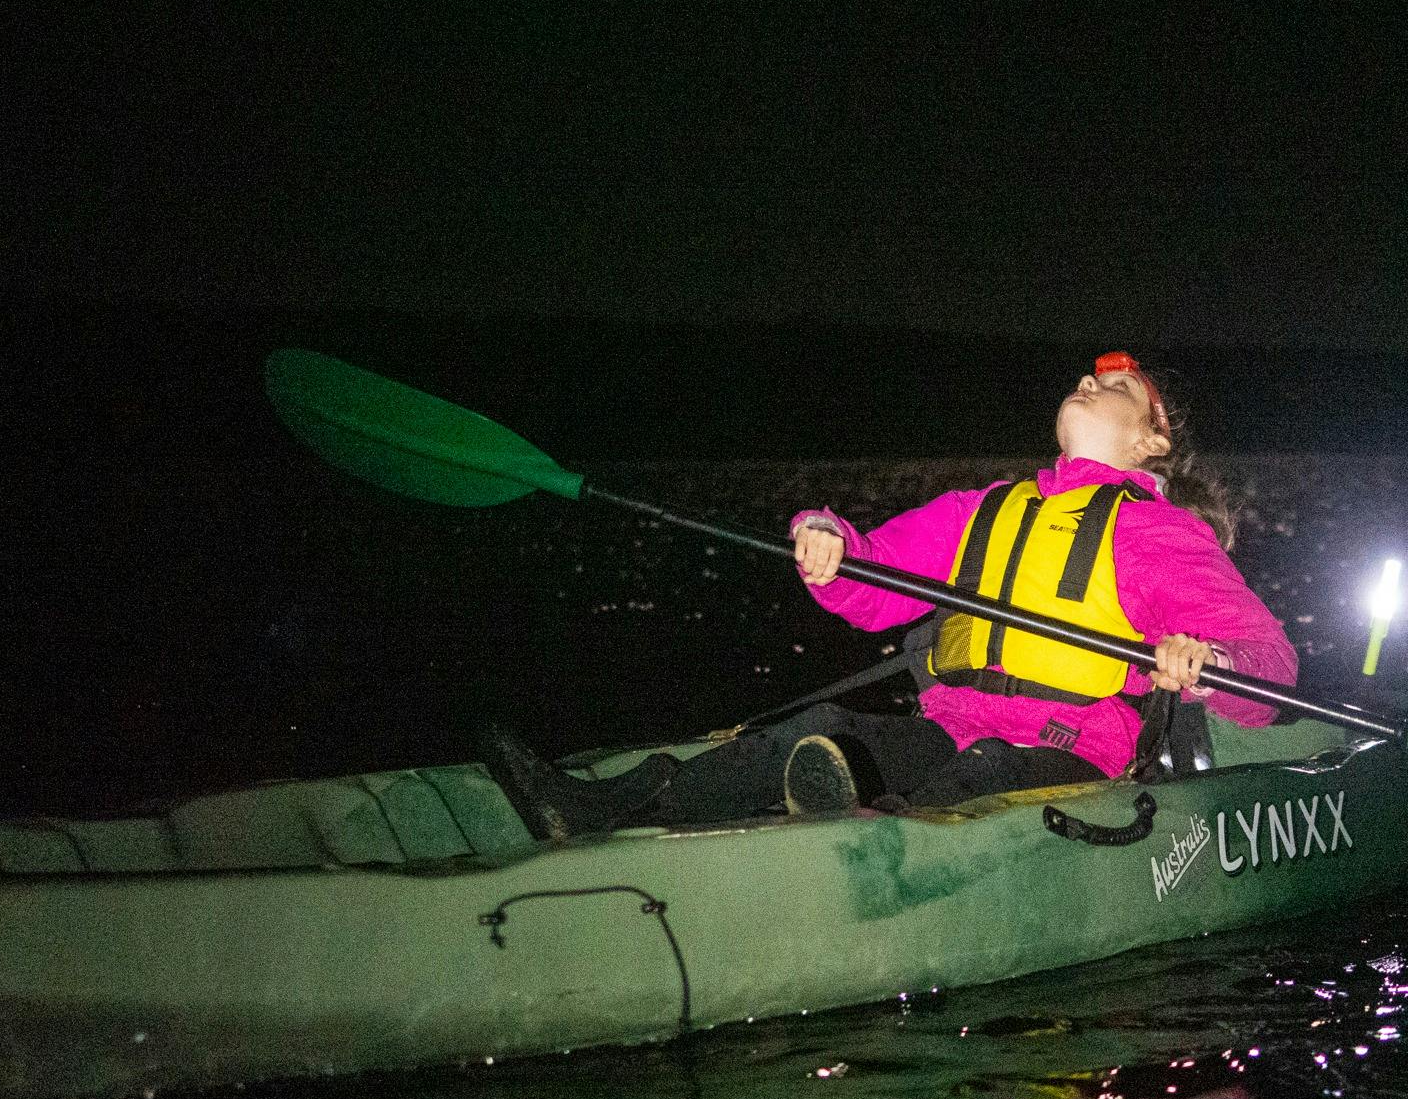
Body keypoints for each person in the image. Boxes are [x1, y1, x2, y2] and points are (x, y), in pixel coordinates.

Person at [481, 352, 1297, 840]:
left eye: (1114, 386)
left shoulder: (1158, 535)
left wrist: (1208, 660)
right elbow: (873, 581)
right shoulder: (985, 510)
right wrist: (825, 542)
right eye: (1084, 375)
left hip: (1070, 750)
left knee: (976, 774)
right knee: (825, 728)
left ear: (1151, 439)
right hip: (952, 722)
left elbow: (1269, 666)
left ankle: (851, 837)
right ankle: (606, 811)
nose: (1087, 380)